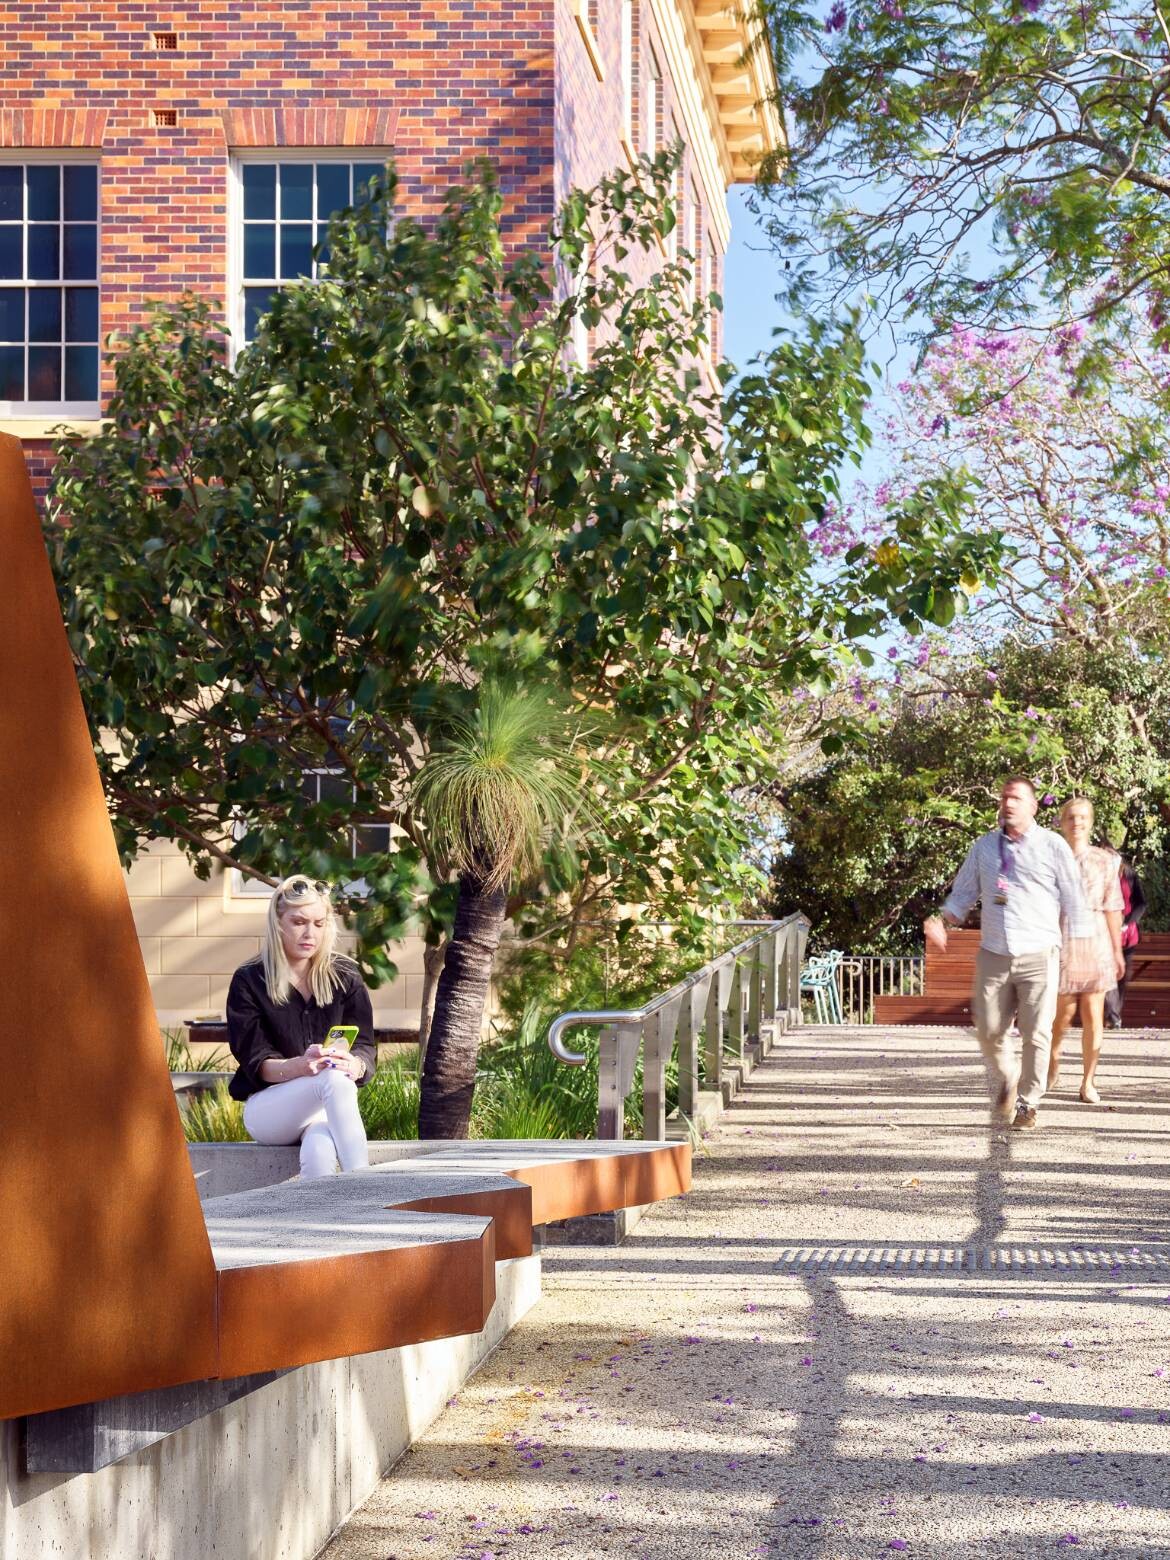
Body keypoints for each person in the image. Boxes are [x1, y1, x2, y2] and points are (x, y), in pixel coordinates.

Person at [923, 776, 1094, 1131]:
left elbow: (1075, 899)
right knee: (988, 1030)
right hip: (994, 953)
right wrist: (942, 921)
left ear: (1033, 807)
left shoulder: (1052, 846)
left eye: (1016, 798)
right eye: (1004, 798)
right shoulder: (983, 848)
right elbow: (963, 895)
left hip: (1039, 953)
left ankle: (1028, 1103)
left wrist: (1079, 946)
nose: (1008, 804)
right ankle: (1009, 1074)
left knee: (1037, 1033)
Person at [226, 874, 376, 1179]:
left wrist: (356, 1065)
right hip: (269, 1110)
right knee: (332, 1080)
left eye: (319, 924)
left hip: (323, 1108)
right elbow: (255, 1061)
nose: (310, 933)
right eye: (299, 922)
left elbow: (366, 1046)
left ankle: (315, 1222)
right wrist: (300, 1066)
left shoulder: (344, 976)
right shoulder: (250, 980)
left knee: (320, 1148)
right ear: (278, 922)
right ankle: (365, 1187)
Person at [1047, 800, 1124, 1104]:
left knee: (1094, 1014)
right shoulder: (1050, 858)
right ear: (1062, 821)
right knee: (1060, 1015)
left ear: (1090, 822)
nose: (1076, 822)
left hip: (1096, 942)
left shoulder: (1105, 861)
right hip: (1061, 939)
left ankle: (1088, 1082)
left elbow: (1114, 907)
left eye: (1082, 817)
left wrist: (1118, 951)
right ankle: (1052, 1061)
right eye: (1070, 817)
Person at [1104, 847, 1146, 1030]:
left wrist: (1128, 921)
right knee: (1107, 975)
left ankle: (1115, 1015)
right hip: (1104, 934)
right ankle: (1112, 1016)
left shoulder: (1129, 875)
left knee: (1122, 977)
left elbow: (1141, 902)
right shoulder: (1098, 876)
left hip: (1128, 934)